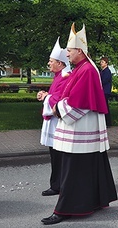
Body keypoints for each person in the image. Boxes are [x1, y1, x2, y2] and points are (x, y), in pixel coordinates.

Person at [41, 23, 117, 225]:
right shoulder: (82, 68)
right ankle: (94, 201)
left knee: (72, 170)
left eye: (70, 50)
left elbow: (78, 103)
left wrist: (57, 108)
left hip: (79, 129)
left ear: (80, 51)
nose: (67, 54)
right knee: (86, 167)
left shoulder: (86, 70)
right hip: (84, 127)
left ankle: (65, 209)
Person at [37, 37, 71, 197]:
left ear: (60, 63)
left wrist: (46, 98)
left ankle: (58, 185)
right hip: (55, 121)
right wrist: (46, 95)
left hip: (59, 122)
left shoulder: (65, 77)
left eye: (51, 61)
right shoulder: (58, 76)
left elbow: (59, 100)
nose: (49, 64)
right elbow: (54, 95)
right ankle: (56, 184)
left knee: (59, 156)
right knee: (55, 155)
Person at [100, 56, 112, 126]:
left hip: (105, 91)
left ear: (106, 63)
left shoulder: (107, 71)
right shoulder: (103, 71)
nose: (101, 63)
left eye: (102, 62)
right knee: (104, 106)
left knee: (105, 106)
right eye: (101, 62)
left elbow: (103, 81)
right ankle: (106, 122)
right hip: (103, 91)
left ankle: (108, 122)